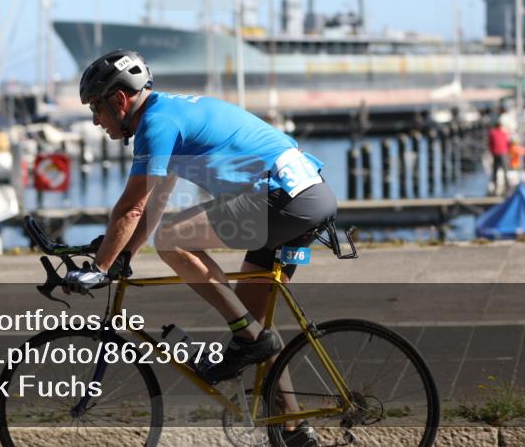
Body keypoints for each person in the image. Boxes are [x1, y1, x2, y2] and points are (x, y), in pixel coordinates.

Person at [63, 50, 334, 440]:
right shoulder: (169, 115)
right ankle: (293, 428)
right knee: (255, 327)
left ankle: (247, 339)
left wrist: (98, 268)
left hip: (284, 199)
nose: (95, 120)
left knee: (173, 240)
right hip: (307, 194)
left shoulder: (156, 123)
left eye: (96, 108)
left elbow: (131, 206)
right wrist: (124, 255)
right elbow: (155, 202)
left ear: (119, 100)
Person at [487, 117, 510, 194]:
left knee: (495, 170)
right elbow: (507, 143)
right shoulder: (504, 133)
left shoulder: (492, 133)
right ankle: (507, 185)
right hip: (502, 153)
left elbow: (490, 144)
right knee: (504, 170)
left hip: (496, 153)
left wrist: (492, 151)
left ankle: (496, 185)